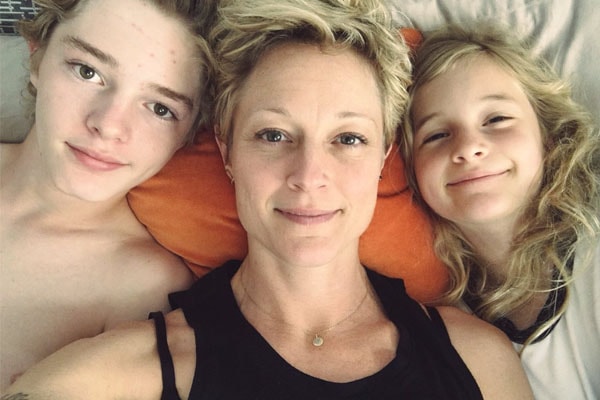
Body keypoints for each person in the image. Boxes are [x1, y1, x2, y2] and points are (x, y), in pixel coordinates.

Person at [3, 1, 533, 398]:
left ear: (383, 157)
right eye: (274, 135)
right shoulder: (115, 376)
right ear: (228, 151)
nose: (309, 176)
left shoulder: (480, 361)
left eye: (348, 139)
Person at [0, 0, 215, 390]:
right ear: (37, 57)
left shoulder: (145, 290)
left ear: (189, 133)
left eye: (160, 108)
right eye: (88, 72)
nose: (109, 126)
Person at [399, 23, 600, 399]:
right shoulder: (442, 321)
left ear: (547, 136)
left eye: (496, 119)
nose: (468, 147)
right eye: (437, 135)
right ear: (411, 171)